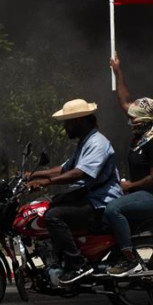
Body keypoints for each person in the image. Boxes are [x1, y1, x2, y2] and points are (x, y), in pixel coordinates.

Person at [26, 98, 123, 284]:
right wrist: (33, 175)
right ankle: (58, 258)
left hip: (101, 202)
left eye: (67, 123)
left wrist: (45, 182)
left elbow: (78, 173)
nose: (65, 128)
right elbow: (64, 168)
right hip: (88, 197)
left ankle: (78, 264)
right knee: (49, 205)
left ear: (78, 121)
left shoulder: (98, 143)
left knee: (54, 216)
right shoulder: (85, 142)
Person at [103, 53, 153, 277]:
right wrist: (118, 71)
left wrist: (130, 186)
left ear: (146, 121)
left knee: (114, 209)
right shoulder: (142, 137)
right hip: (146, 192)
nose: (130, 121)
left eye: (134, 119)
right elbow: (125, 101)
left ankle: (130, 260)